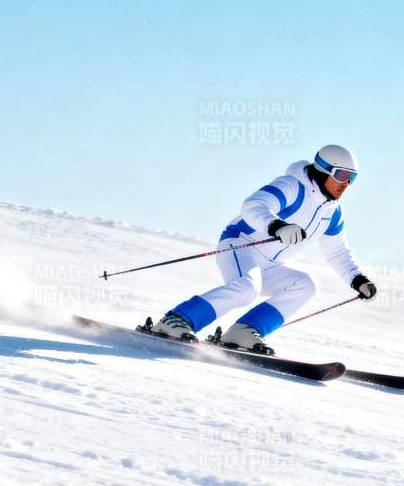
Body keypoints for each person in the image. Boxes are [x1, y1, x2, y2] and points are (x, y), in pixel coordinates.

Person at [154, 144, 376, 353]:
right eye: (342, 175)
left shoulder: (333, 212)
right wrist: (276, 225)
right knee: (246, 289)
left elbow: (336, 252)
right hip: (241, 245)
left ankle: (243, 332)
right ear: (323, 170)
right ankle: (176, 320)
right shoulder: (293, 186)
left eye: (352, 178)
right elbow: (253, 205)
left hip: (272, 265)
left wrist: (358, 280)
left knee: (306, 285)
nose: (347, 183)